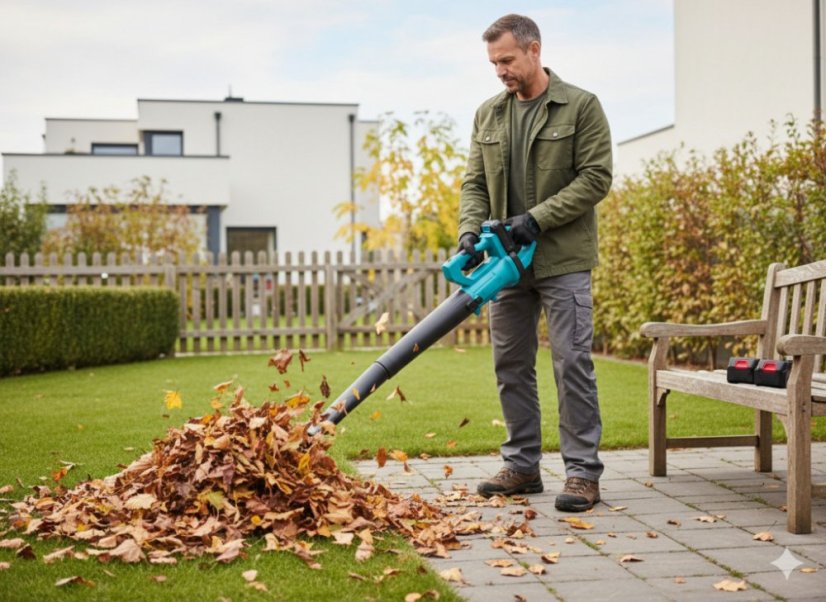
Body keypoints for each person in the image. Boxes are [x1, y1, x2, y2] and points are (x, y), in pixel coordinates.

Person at [458, 14, 612, 512]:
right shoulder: (488, 115)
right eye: (493, 62)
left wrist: (537, 220)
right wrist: (468, 232)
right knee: (511, 365)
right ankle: (523, 467)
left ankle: (583, 474)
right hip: (504, 264)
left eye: (506, 59)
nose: (499, 70)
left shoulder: (580, 107)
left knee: (572, 363)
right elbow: (475, 184)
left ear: (533, 50)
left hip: (562, 259)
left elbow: (595, 178)